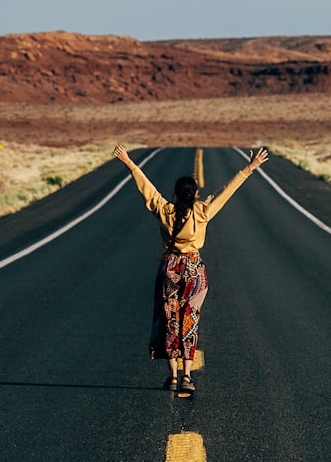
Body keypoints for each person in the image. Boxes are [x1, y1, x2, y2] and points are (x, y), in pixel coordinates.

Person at [113, 143, 269, 392]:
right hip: (195, 269)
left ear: (175, 194)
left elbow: (147, 190)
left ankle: (173, 376)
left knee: (169, 320)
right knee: (190, 320)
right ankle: (188, 375)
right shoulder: (202, 212)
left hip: (170, 267)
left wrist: (129, 162)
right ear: (194, 194)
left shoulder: (165, 212)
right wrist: (250, 168)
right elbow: (226, 192)